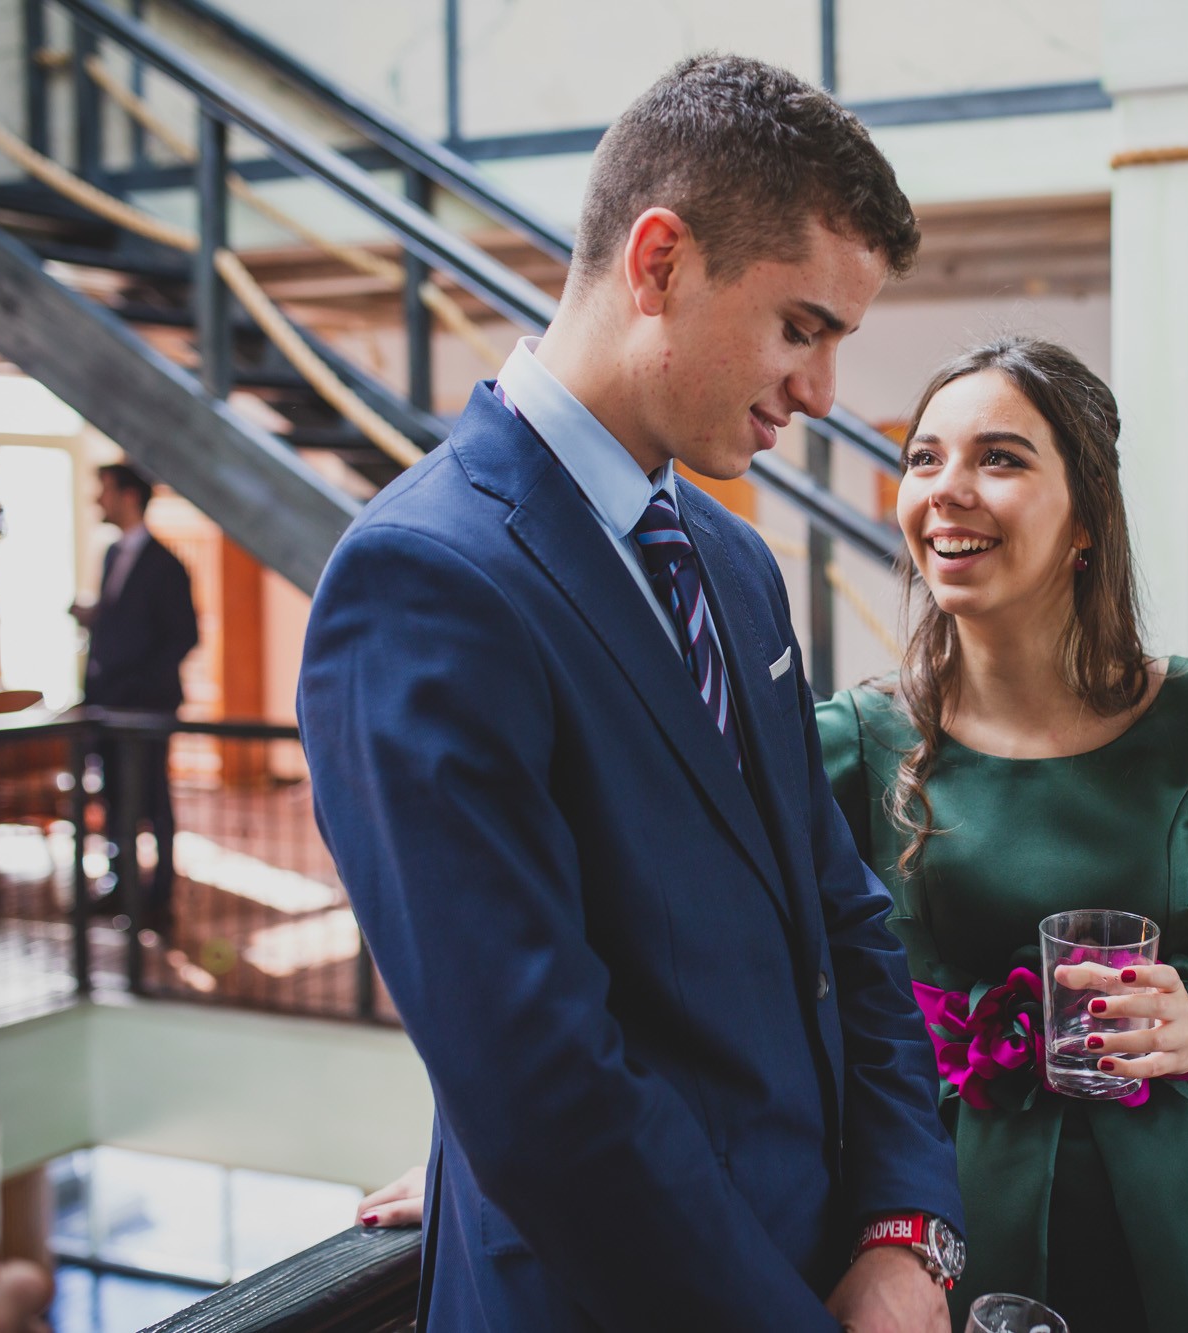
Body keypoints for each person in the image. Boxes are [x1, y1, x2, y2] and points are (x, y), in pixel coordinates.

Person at [298, 56, 961, 1332]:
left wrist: (898, 1228)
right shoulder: (423, 581)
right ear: (656, 263)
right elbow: (544, 1092)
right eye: (800, 327)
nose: (820, 393)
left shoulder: (731, 561)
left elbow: (844, 923)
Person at [815, 338, 1188, 1330]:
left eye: (998, 459)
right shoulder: (850, 740)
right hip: (940, 1198)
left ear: (1086, 513)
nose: (946, 490)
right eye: (923, 459)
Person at [72, 463, 198, 933]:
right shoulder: (110, 555)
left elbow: (183, 636)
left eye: (102, 490)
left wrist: (139, 688)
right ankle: (120, 883)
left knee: (153, 798)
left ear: (127, 495)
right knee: (112, 794)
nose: (96, 500)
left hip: (145, 707)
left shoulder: (166, 564)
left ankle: (159, 891)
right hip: (107, 702)